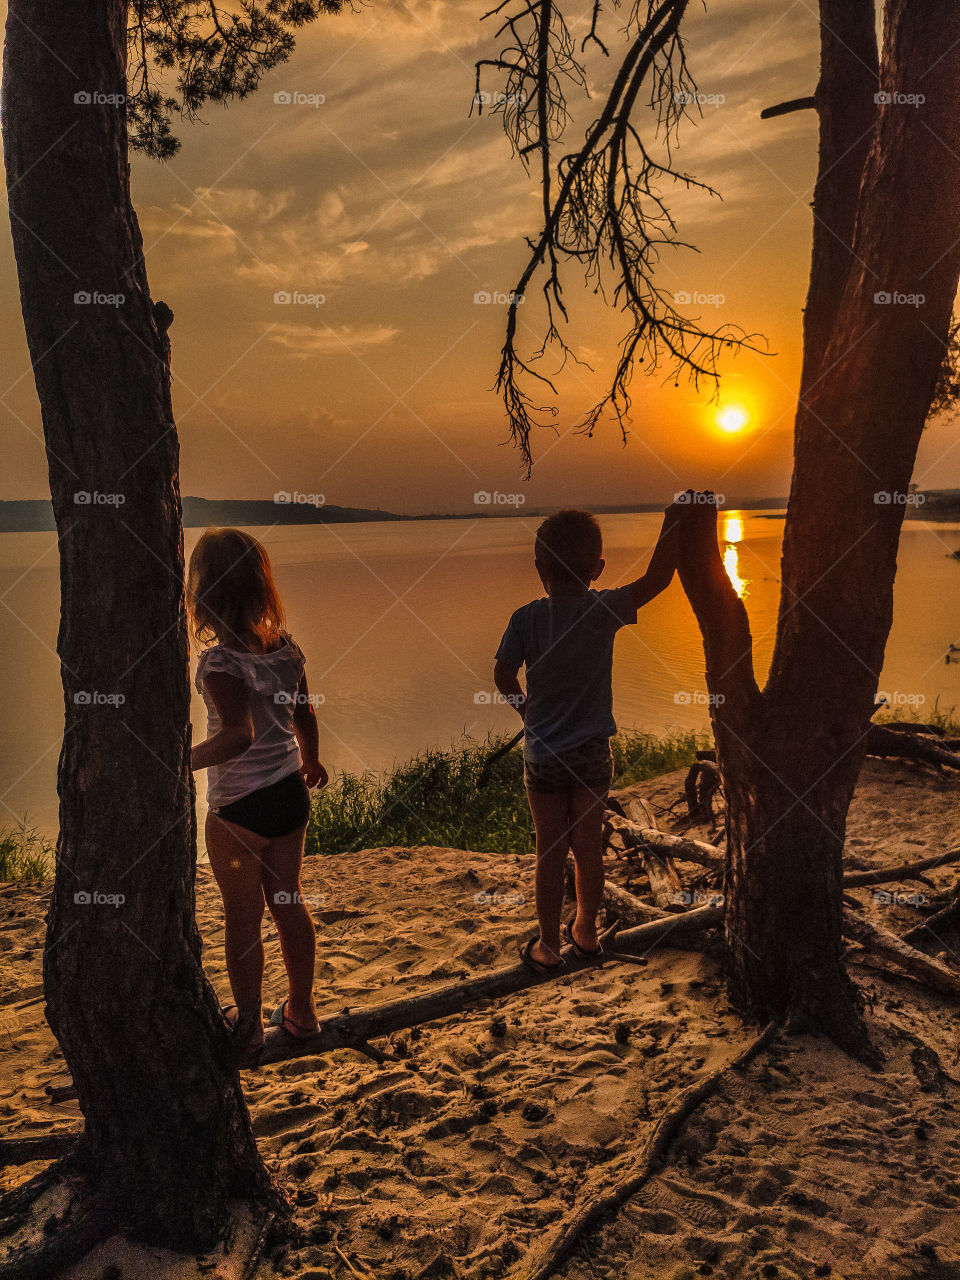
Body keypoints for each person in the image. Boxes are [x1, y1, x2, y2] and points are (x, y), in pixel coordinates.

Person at [493, 505, 682, 974]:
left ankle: (548, 944)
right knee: (588, 847)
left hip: (542, 756)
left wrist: (526, 709)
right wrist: (677, 522)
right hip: (593, 753)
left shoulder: (525, 619)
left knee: (549, 850)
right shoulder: (603, 609)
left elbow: (501, 673)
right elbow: (659, 579)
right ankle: (588, 934)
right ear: (597, 568)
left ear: (539, 570)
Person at [189, 528, 328, 1057]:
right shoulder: (287, 648)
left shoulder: (221, 663)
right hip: (290, 796)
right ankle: (303, 1013)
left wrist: (182, 764)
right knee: (288, 902)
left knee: (243, 919)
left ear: (205, 595)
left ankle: (247, 1028)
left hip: (239, 812)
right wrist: (311, 758)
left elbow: (236, 734)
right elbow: (304, 714)